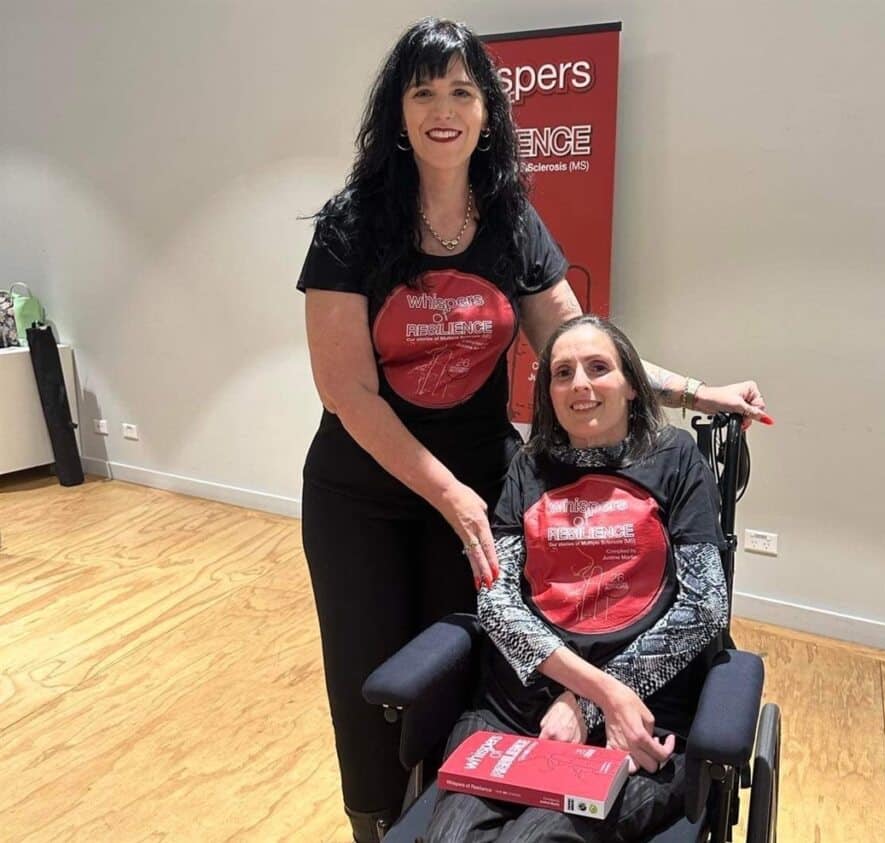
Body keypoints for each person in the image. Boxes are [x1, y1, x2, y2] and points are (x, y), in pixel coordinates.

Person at [296, 18, 767, 843]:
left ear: (487, 111)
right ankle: (382, 823)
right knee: (374, 679)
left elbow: (582, 347)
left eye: (462, 92)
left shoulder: (510, 222)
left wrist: (699, 391)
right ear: (397, 113)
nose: (444, 110)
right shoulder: (352, 224)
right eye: (423, 93)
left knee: (476, 666)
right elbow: (347, 392)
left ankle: (475, 798)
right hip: (366, 488)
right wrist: (449, 495)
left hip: (481, 482)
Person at [424, 315, 730, 842]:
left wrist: (588, 704)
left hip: (640, 714)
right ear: (548, 393)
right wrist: (593, 692)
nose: (580, 385)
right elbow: (497, 602)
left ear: (631, 384)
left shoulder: (675, 458)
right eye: (562, 373)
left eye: (598, 368)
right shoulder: (529, 468)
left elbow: (704, 607)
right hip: (517, 711)